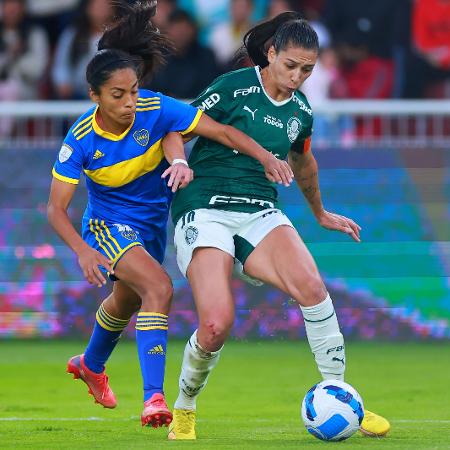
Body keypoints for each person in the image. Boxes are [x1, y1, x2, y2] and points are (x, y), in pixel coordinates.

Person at [47, 0, 293, 429]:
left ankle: (89, 363)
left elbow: (220, 131)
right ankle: (154, 399)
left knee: (126, 299)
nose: (129, 102)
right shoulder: (81, 139)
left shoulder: (154, 108)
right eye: (117, 95)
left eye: (134, 91)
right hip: (107, 226)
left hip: (151, 226)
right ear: (95, 97)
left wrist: (265, 156)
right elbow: (55, 209)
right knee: (158, 288)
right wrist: (83, 252)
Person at [164, 12, 391, 440]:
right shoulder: (233, 87)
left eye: (307, 69)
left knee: (313, 289)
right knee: (215, 325)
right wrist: (178, 161)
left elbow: (303, 161)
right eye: (291, 65)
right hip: (205, 206)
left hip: (258, 210)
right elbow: (178, 126)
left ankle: (341, 395)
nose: (298, 76)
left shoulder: (301, 111)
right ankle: (185, 407)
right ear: (271, 53)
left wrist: (320, 213)